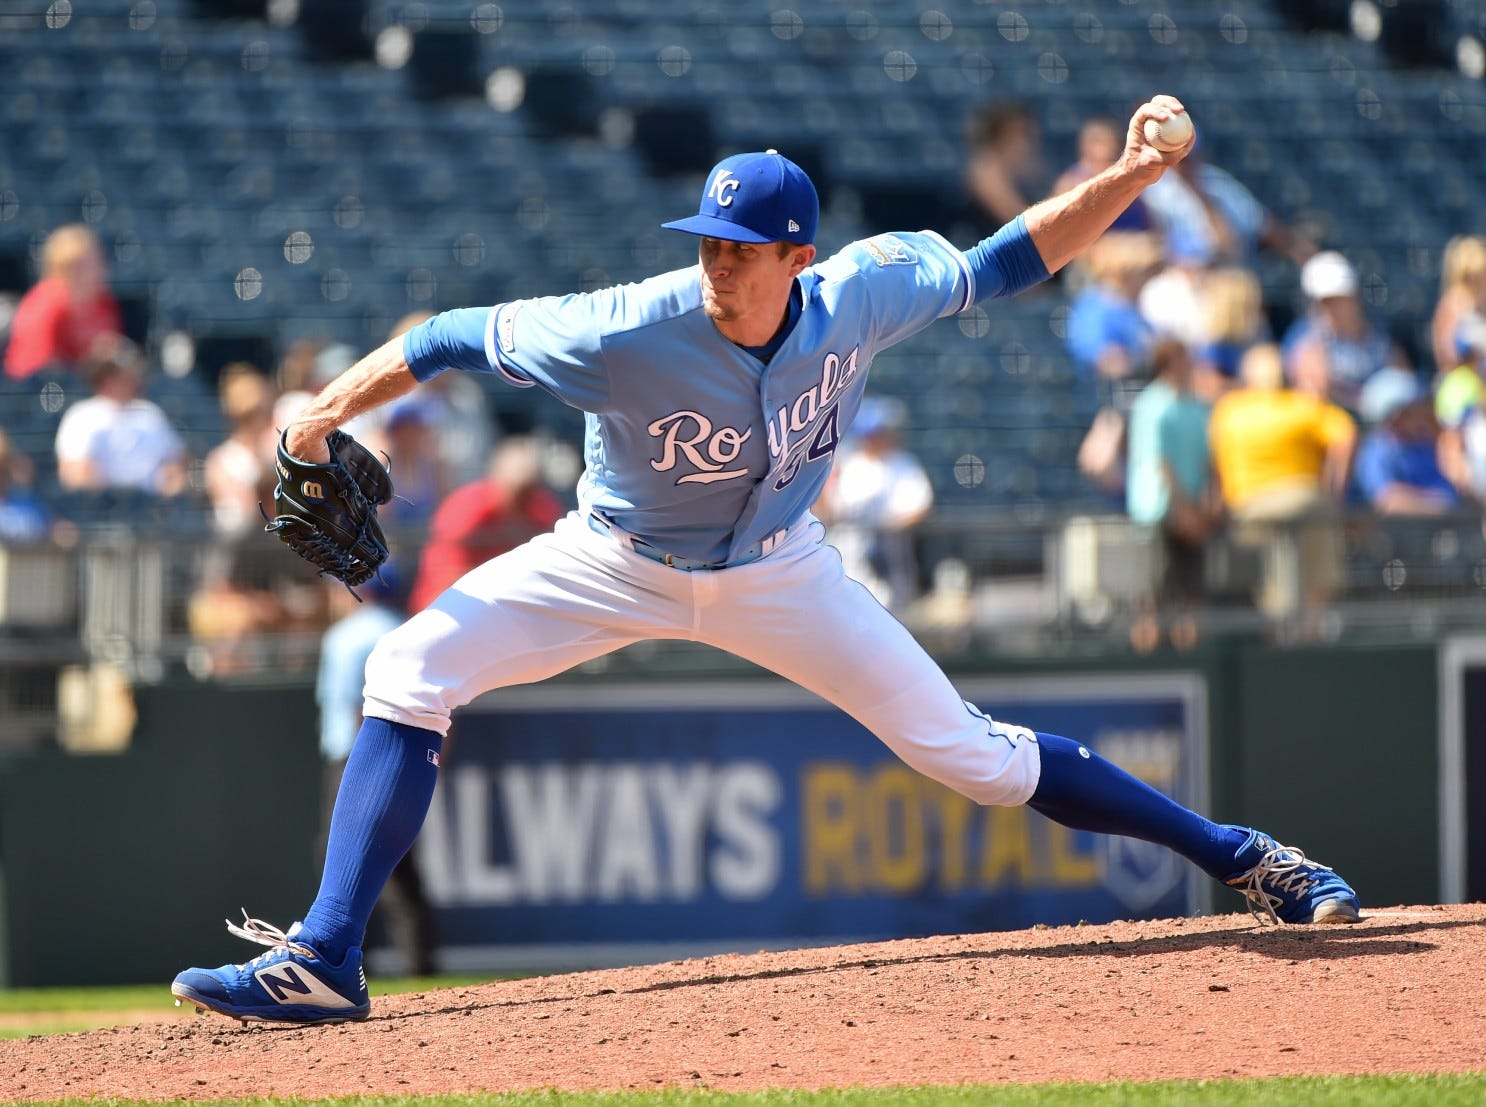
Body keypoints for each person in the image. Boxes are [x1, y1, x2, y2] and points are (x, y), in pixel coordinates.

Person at [172, 99, 1360, 1028]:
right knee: (408, 670)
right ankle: (327, 957)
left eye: (742, 249)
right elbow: (441, 338)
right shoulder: (621, 326)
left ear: (797, 255)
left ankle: (1245, 857)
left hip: (783, 572)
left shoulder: (864, 290)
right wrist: (316, 419)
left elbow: (1011, 258)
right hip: (611, 556)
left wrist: (1137, 176)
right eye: (708, 241)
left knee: (976, 759)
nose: (716, 264)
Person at [316, 569, 438, 977]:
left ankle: (334, 961)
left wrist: (365, 772)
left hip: (357, 758)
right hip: (407, 754)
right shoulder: (410, 628)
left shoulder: (347, 636)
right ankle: (420, 965)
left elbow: (359, 710)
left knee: (345, 865)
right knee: (401, 866)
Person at [1208, 343, 1356, 626]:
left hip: (1253, 508)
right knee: (1315, 590)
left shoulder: (1229, 411)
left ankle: (1283, 646)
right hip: (1308, 502)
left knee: (1276, 593)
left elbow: (1217, 470)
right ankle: (1308, 644)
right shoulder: (1302, 404)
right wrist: (1334, 490)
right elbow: (1346, 436)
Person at [1124, 339, 1218, 650]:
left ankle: (1189, 651)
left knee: (1191, 597)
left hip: (1191, 514)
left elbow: (1207, 460)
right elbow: (1160, 463)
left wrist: (1203, 506)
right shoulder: (1153, 405)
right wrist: (1184, 510)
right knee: (1153, 597)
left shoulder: (1196, 406)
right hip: (1159, 512)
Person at [408, 436, 566, 612]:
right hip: (452, 605)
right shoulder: (467, 508)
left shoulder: (541, 508)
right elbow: (444, 576)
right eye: (517, 490)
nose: (523, 497)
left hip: (515, 608)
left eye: (529, 490)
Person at [814, 396, 934, 612]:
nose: (880, 437)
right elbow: (824, 511)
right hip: (845, 550)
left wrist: (886, 527)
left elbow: (920, 508)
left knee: (888, 611)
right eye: (875, 433)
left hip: (886, 555)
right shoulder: (845, 462)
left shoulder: (903, 464)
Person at [53, 335, 187, 500]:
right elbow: (74, 474)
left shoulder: (150, 413)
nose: (130, 378)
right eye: (119, 373)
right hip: (103, 509)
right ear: (104, 376)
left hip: (153, 509)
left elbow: (176, 462)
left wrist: (170, 488)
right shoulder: (81, 416)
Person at [1283, 250, 1409, 417]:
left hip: (1382, 425)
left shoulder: (1378, 333)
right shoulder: (1306, 337)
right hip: (1335, 422)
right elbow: (1314, 390)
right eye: (1327, 302)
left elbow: (1404, 378)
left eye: (1340, 299)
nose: (1334, 308)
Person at [3, 224, 123, 381]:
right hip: (41, 391)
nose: (102, 269)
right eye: (92, 264)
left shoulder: (103, 302)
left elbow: (111, 355)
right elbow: (41, 368)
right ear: (70, 267)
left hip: (85, 388)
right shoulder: (45, 304)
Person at [1353, 368, 1458, 517]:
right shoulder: (1377, 451)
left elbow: (1450, 488)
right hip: (1402, 536)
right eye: (1412, 410)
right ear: (1395, 416)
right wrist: (1438, 505)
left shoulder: (1424, 444)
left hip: (1443, 530)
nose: (1420, 413)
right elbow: (1386, 500)